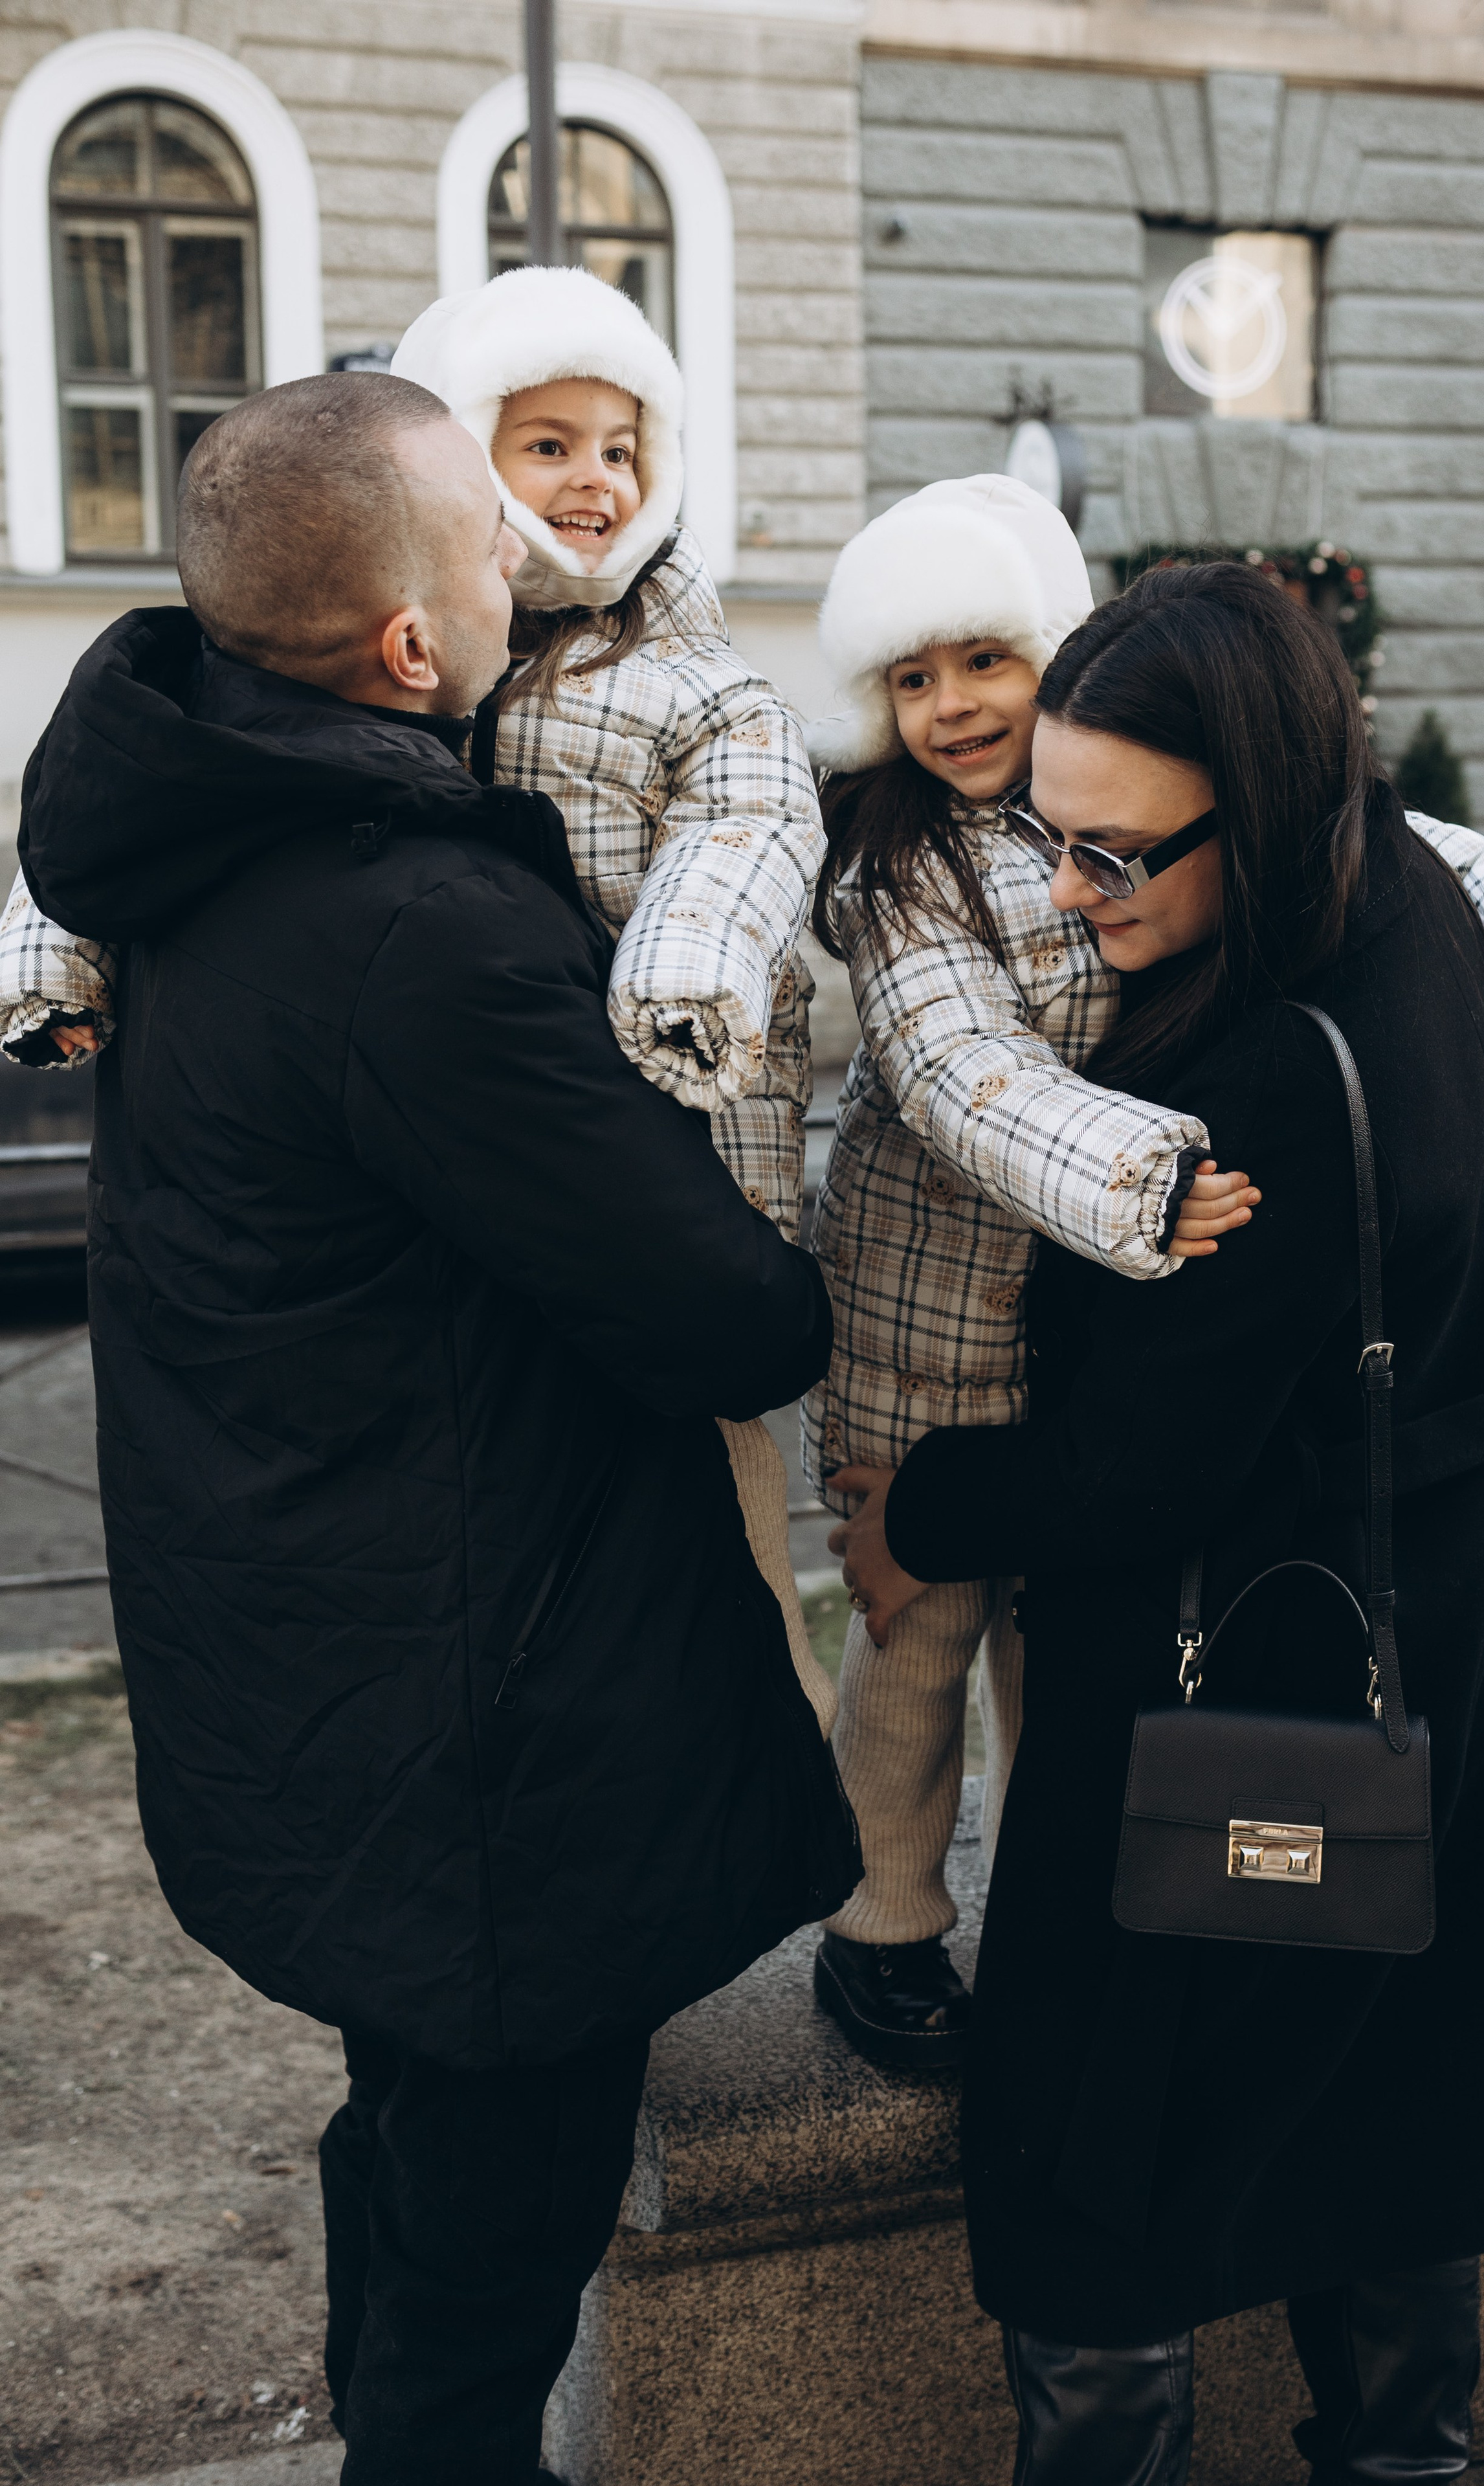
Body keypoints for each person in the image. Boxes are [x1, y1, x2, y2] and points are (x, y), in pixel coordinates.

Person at [15, 371, 858, 2486]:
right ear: (404, 648)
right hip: (484, 1756)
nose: (529, 559)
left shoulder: (198, 843)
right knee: (488, 2282)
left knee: (404, 2159)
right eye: (489, 537)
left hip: (317, 1685)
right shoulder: (418, 930)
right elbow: (731, 1317)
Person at [829, 559, 1484, 2483]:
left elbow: (1147, 1469)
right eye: (1052, 843)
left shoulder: (1259, 1070)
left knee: (1106, 2167)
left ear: (1250, 817)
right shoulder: (1405, 911)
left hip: (1229, 1693)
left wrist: (924, 1504)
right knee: (1401, 2131)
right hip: (1436, 1663)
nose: (1080, 903)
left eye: (1117, 861)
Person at [0, 262, 832, 1721]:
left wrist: (685, 971)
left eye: (622, 447)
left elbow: (751, 827)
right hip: (508, 1225)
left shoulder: (686, 677)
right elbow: (103, 849)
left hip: (666, 1145)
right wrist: (47, 963)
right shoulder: (416, 672)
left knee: (739, 1602)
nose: (590, 481)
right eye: (546, 443)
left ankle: (828, 1858)